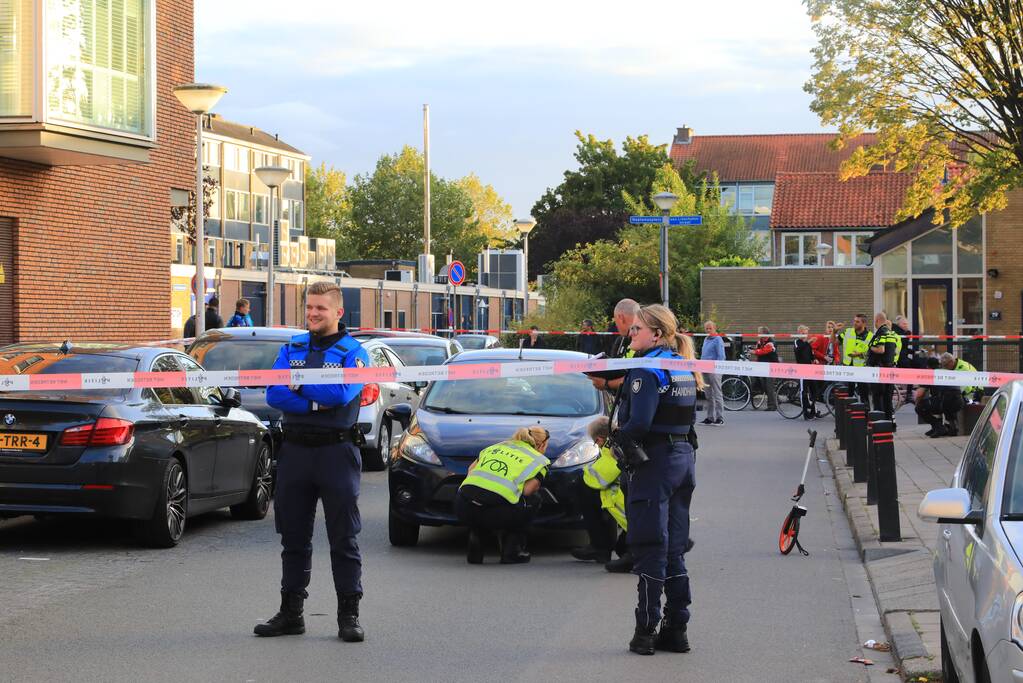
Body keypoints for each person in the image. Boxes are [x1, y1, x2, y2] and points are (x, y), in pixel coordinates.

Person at [254, 281, 371, 643]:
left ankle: (348, 616)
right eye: (309, 307)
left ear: (338, 312)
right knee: (293, 537)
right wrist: (313, 400)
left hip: (337, 453)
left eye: (321, 308)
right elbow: (273, 393)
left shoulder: (354, 352)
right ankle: (291, 613)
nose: (313, 314)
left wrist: (298, 387)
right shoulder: (292, 347)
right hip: (296, 453)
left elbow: (342, 393)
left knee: (343, 537)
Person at [617, 304, 696, 656]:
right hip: (683, 459)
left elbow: (639, 423)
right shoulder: (680, 366)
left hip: (655, 463)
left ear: (657, 334)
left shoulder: (646, 369)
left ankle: (645, 631)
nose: (631, 335)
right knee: (675, 547)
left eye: (637, 329)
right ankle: (676, 629)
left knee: (650, 546)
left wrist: (616, 437)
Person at [454, 426, 551, 564]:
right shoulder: (539, 461)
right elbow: (527, 491)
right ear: (542, 444)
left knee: (480, 501)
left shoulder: (496, 446)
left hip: (462, 505)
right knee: (534, 500)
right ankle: (512, 551)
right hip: (497, 514)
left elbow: (470, 470)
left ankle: (477, 540)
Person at [570, 417, 627, 564]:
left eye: (595, 442)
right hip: (636, 509)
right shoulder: (623, 441)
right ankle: (601, 547)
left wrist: (580, 477)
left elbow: (595, 480)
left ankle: (599, 547)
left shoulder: (613, 451)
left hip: (630, 513)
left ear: (600, 439)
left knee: (583, 489)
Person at [591, 298, 641, 394]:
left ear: (621, 317)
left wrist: (606, 384)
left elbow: (638, 379)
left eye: (616, 321)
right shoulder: (621, 340)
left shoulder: (644, 341)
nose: (616, 326)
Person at [915, 355, 965, 438]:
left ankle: (939, 427)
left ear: (928, 367)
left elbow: (919, 394)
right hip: (959, 401)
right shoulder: (946, 372)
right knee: (936, 401)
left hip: (946, 401)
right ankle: (950, 429)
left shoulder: (930, 374)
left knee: (920, 407)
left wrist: (917, 401)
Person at [866, 312, 899, 420]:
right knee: (887, 399)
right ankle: (889, 423)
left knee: (878, 397)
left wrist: (870, 347)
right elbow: (894, 352)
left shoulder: (882, 332)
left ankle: (879, 422)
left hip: (880, 370)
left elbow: (881, 349)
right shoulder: (891, 334)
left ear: (877, 321)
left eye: (875, 321)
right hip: (889, 369)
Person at [839, 314, 871, 405]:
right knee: (849, 394)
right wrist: (834, 331)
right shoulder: (848, 332)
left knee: (864, 394)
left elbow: (872, 353)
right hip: (848, 367)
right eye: (854, 321)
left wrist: (860, 354)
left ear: (864, 323)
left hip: (861, 368)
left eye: (857, 321)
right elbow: (833, 342)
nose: (854, 323)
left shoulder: (870, 336)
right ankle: (848, 415)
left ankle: (865, 413)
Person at [700, 320, 725, 426]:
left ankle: (720, 418)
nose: (708, 330)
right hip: (704, 368)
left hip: (714, 369)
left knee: (717, 393)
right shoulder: (706, 339)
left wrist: (718, 369)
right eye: (707, 328)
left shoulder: (718, 339)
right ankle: (710, 417)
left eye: (710, 328)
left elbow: (721, 356)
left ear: (714, 328)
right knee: (708, 394)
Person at [794, 325, 821, 420]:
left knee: (814, 390)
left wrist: (814, 359)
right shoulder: (797, 342)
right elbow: (798, 350)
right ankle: (805, 412)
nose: (805, 335)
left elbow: (810, 354)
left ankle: (814, 410)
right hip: (802, 369)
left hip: (810, 369)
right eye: (803, 333)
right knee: (804, 391)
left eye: (806, 333)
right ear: (799, 333)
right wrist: (808, 342)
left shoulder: (807, 344)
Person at [753, 326, 778, 411]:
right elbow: (757, 349)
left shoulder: (771, 342)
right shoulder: (760, 341)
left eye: (759, 332)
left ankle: (772, 406)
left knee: (769, 386)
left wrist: (755, 351)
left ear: (764, 333)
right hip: (763, 367)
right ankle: (775, 400)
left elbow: (764, 351)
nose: (758, 334)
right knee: (764, 385)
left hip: (771, 367)